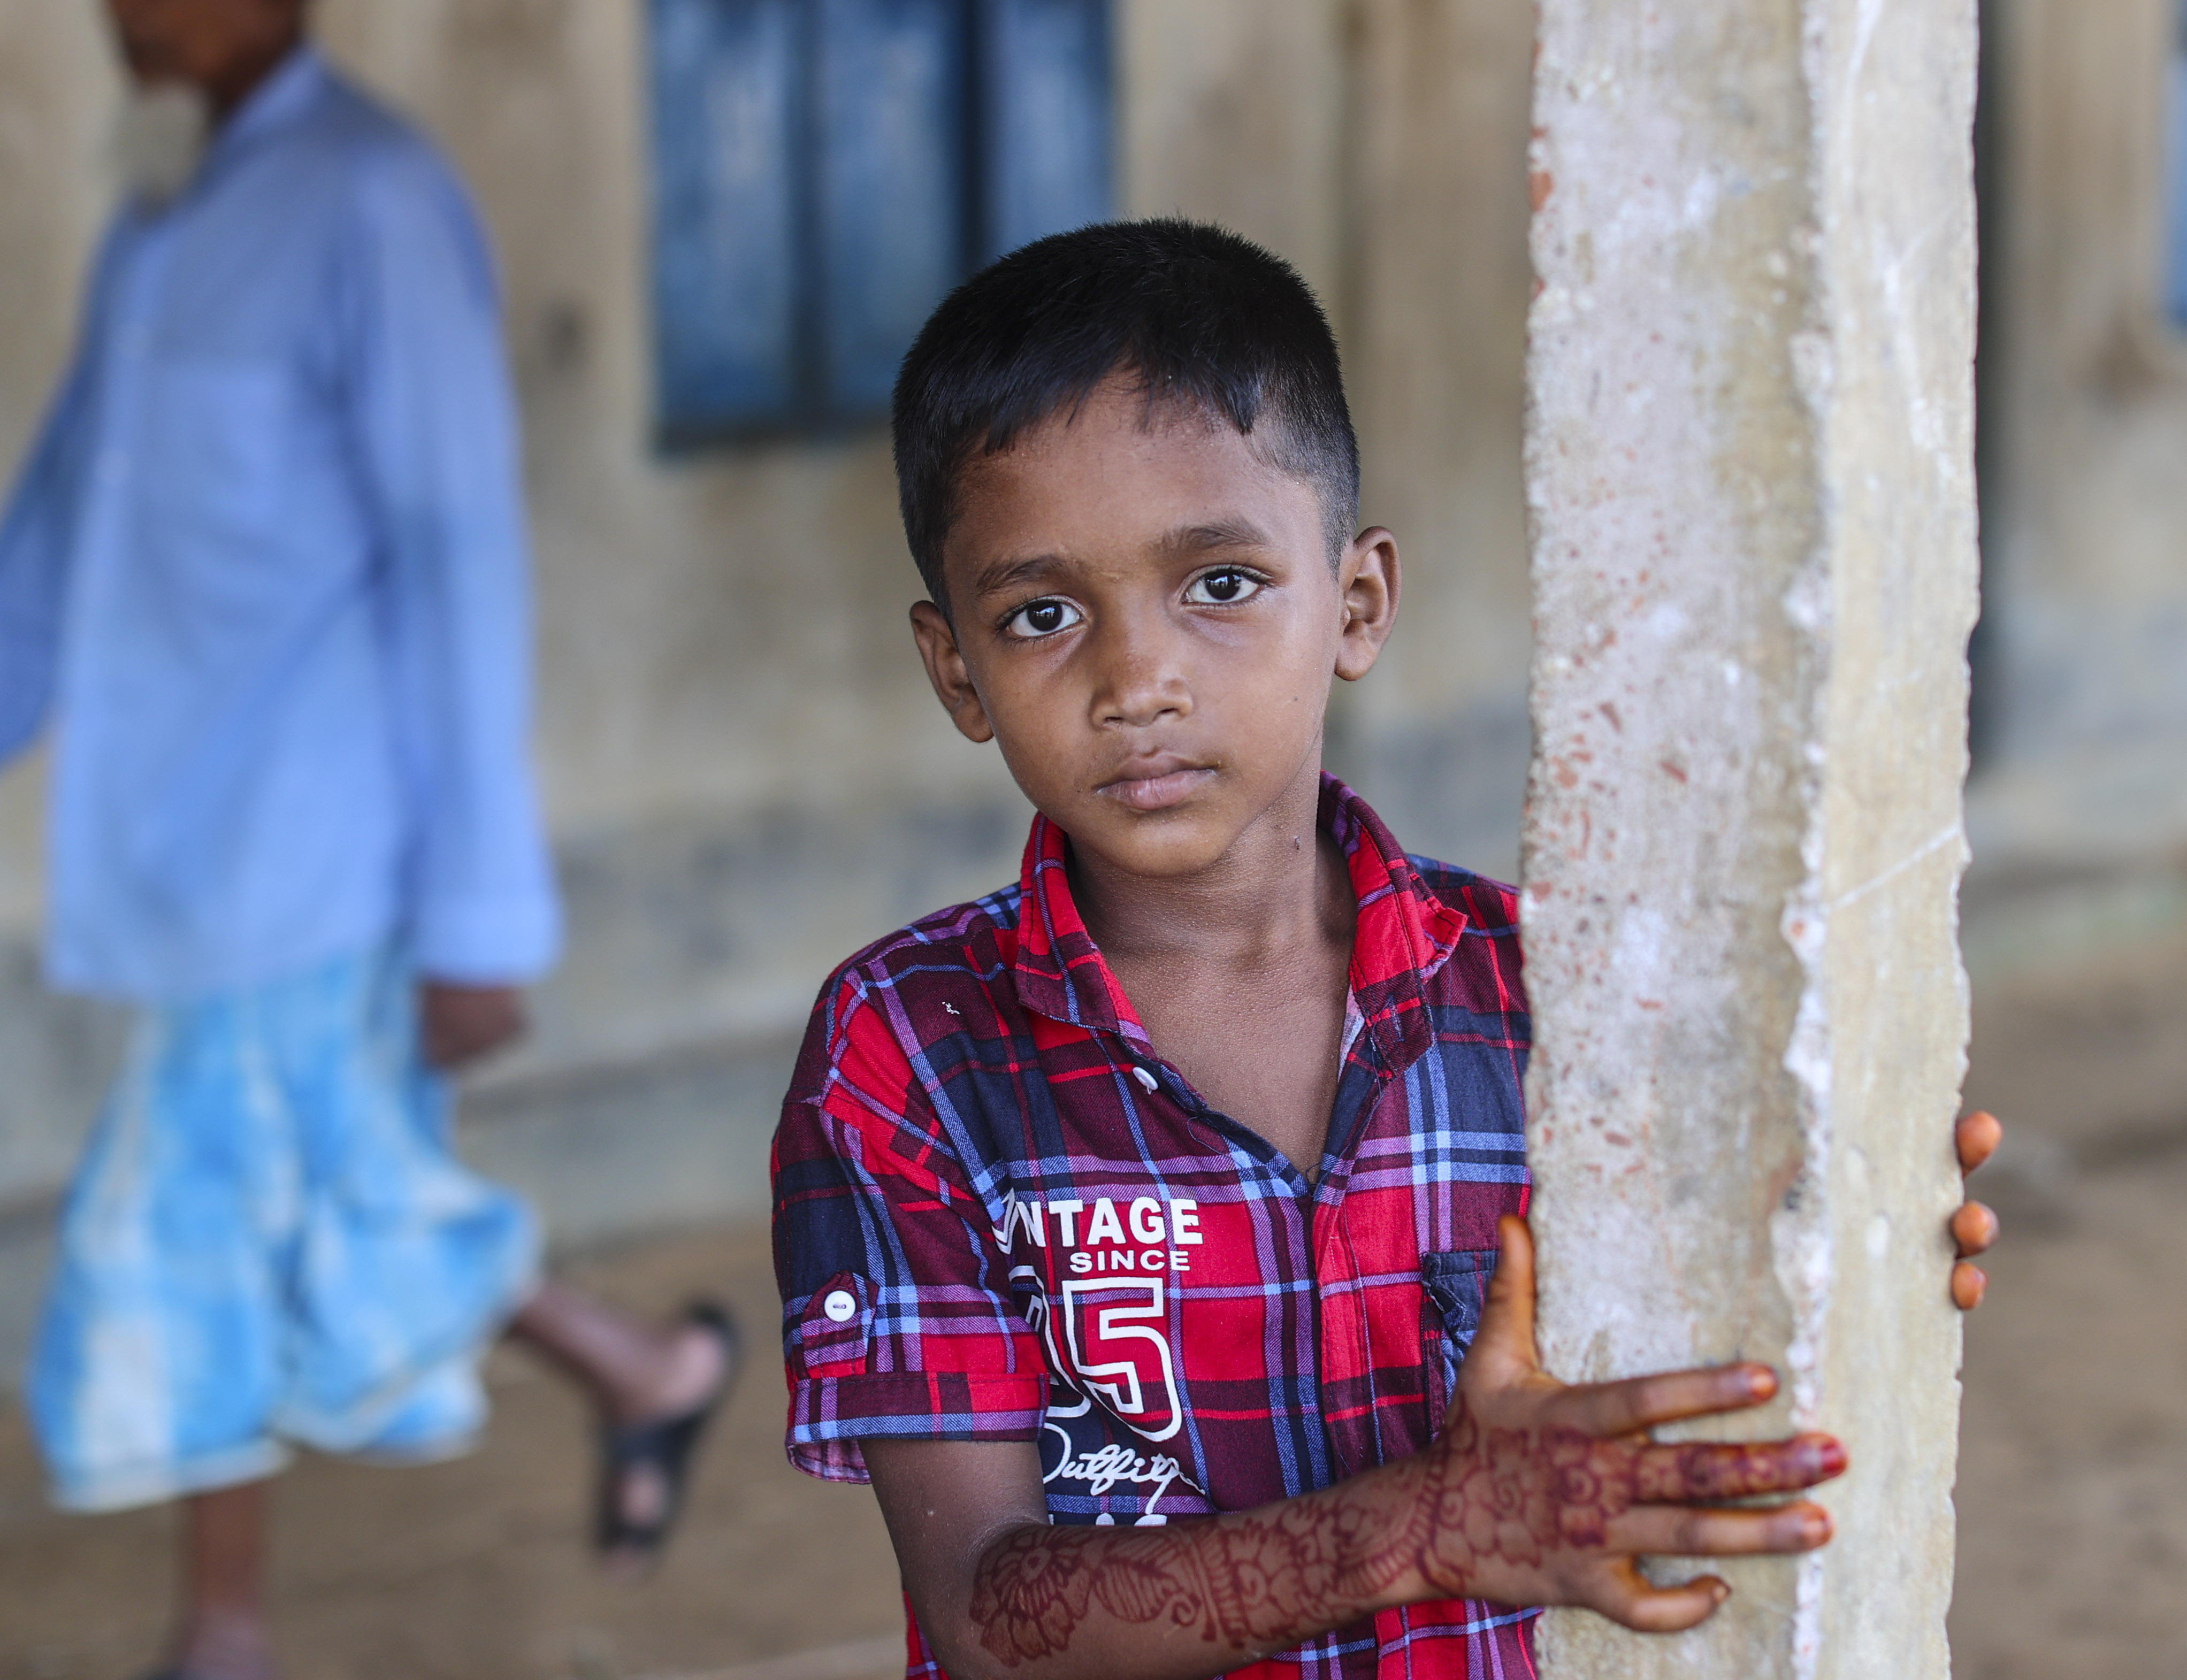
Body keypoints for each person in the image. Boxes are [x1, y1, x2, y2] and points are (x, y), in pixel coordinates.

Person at [769, 219, 2004, 1679]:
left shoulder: (1557, 998)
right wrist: (1426, 1528)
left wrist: (1857, 1233)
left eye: (1221, 584)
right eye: (1042, 615)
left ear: (1356, 605)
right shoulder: (908, 1054)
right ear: (956, 671)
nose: (1137, 680)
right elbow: (986, 1614)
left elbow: (1738, 1343)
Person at [0, 0, 730, 1680]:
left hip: (320, 850)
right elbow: (51, 533)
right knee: (333, 1210)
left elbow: (459, 562)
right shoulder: (159, 224)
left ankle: (224, 1634)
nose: (121, 0)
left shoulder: (374, 203)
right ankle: (646, 1370)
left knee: (197, 1215)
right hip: (178, 839)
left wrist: (482, 916)